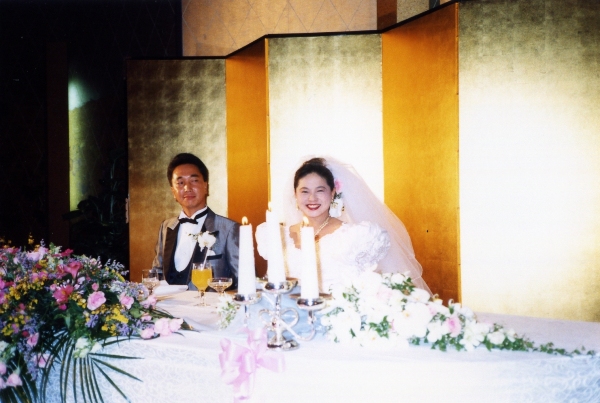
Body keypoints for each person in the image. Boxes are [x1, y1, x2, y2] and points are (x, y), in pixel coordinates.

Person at [256, 157, 429, 293]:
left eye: (320, 190)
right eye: (305, 191)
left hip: (337, 319)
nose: (312, 198)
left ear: (332, 193)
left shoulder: (356, 236)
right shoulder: (276, 236)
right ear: (295, 194)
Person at [151, 153, 239, 289]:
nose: (187, 188)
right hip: (169, 303)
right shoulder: (166, 227)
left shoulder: (229, 229)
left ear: (206, 186)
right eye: (180, 183)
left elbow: (243, 281)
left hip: (209, 303)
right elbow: (157, 273)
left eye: (194, 180)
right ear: (173, 191)